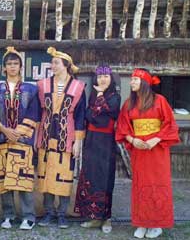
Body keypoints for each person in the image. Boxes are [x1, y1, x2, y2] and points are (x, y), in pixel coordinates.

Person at [116, 68, 179, 239]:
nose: (132, 82)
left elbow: (170, 124)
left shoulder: (160, 101)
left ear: (144, 82)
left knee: (157, 185)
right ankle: (142, 222)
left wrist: (156, 139)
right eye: (132, 80)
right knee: (140, 185)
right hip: (139, 151)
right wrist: (131, 139)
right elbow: (122, 126)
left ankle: (156, 224)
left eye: (135, 79)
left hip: (157, 152)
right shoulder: (129, 103)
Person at [0, 47, 40, 230]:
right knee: (4, 180)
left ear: (20, 67)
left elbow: (34, 113)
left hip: (23, 140)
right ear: (4, 68)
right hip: (1, 139)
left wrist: (17, 132)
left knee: (23, 178)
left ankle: (28, 216)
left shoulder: (31, 89)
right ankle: (8, 215)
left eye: (15, 63)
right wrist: (4, 129)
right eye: (9, 64)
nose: (12, 67)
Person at [36, 47, 86, 229]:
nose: (52, 65)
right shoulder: (42, 85)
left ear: (66, 65)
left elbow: (80, 116)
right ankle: (48, 213)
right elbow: (37, 111)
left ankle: (62, 214)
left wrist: (78, 141)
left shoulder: (78, 87)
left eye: (56, 62)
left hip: (68, 136)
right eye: (52, 62)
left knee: (64, 177)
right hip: (46, 134)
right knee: (46, 176)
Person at [75, 65, 121, 234]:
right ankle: (93, 217)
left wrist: (101, 94)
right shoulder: (92, 97)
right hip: (91, 142)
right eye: (100, 77)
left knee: (105, 179)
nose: (102, 80)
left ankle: (106, 218)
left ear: (111, 79)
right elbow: (90, 116)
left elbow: (104, 112)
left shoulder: (115, 97)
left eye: (106, 77)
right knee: (90, 177)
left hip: (106, 142)